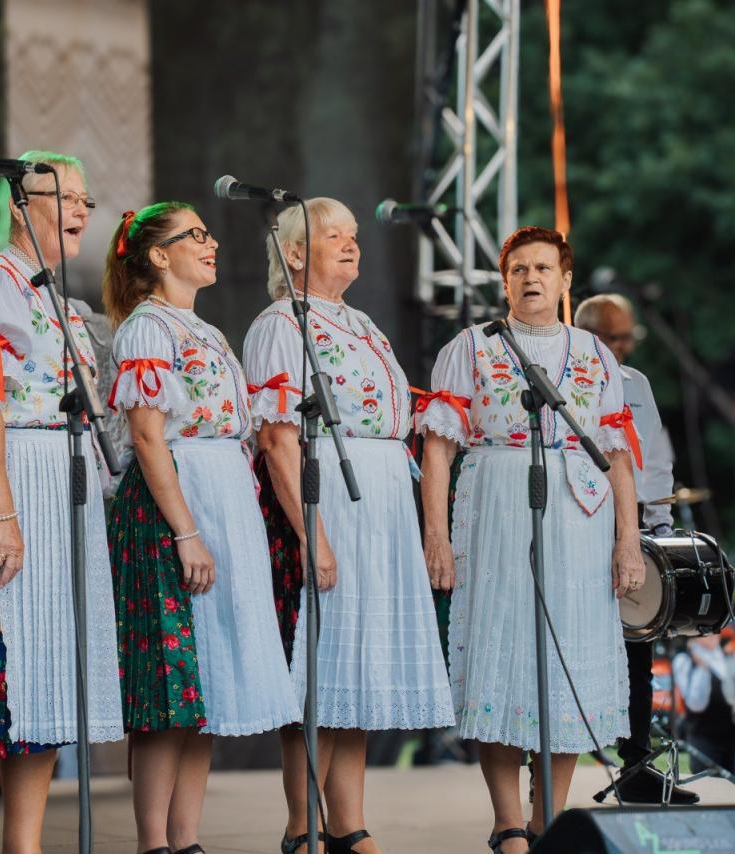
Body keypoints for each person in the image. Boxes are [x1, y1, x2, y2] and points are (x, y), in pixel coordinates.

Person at [417, 227, 644, 853]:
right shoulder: (470, 347)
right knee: (500, 653)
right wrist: (436, 536)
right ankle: (508, 823)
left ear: (566, 280)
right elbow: (437, 448)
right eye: (518, 269)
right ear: (505, 281)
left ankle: (549, 822)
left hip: (580, 515)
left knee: (568, 658)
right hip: (495, 505)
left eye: (543, 267)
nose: (531, 278)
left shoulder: (595, 353)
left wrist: (628, 539)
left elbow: (617, 453)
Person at [0, 151, 123, 854]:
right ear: (20, 206)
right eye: (64, 196)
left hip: (61, 487)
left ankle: (25, 844)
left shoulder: (54, 298)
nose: (80, 210)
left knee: (44, 673)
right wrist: (1, 514)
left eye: (85, 200)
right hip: (10, 484)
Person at [244, 200, 454, 854]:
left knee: (356, 672)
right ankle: (302, 825)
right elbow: (277, 438)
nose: (350, 244)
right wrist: (313, 536)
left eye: (354, 235)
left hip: (380, 502)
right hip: (326, 498)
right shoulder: (282, 323)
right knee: (320, 668)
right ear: (294, 253)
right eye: (333, 235)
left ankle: (348, 824)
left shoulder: (360, 322)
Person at [104, 202, 300, 854]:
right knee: (171, 683)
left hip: (223, 498)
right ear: (159, 255)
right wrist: (185, 531)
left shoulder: (205, 329)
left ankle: (186, 839)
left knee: (206, 683)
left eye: (208, 233)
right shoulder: (147, 327)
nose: (210, 242)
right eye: (195, 235)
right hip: (176, 503)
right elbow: (147, 436)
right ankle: (153, 842)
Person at [573, 294, 697, 804]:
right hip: (582, 522)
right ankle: (545, 771)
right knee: (573, 648)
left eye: (628, 337)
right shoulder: (567, 378)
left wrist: (660, 523)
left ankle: (637, 766)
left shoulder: (637, 383)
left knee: (637, 648)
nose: (624, 346)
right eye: (615, 337)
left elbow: (656, 459)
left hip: (638, 526)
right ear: (589, 335)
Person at [673, 633, 735, 775]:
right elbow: (695, 704)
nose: (713, 636)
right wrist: (702, 667)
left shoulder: (726, 657)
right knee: (708, 783)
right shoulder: (685, 660)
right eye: (708, 633)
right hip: (703, 736)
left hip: (731, 735)